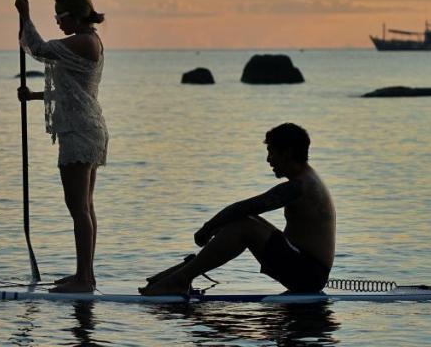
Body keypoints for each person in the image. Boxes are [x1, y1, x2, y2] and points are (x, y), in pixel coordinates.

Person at [140, 123, 334, 296]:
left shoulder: (300, 186)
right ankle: (181, 274)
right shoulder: (306, 180)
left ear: (288, 153)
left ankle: (180, 280)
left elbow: (246, 206)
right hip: (305, 269)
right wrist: (220, 225)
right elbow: (246, 212)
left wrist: (207, 228)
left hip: (308, 276)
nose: (268, 160)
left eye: (271, 152)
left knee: (243, 224)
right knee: (243, 220)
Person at [15, 0, 108, 293]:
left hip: (80, 132)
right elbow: (72, 92)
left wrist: (25, 15)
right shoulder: (87, 42)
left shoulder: (84, 42)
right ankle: (85, 274)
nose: (57, 21)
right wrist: (35, 95)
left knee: (78, 207)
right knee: (84, 206)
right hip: (86, 126)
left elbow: (38, 49)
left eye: (61, 15)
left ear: (77, 14)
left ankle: (84, 279)